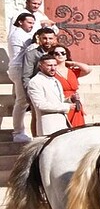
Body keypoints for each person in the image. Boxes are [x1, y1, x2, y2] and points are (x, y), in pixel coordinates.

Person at [27, 53, 77, 135]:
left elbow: (57, 101)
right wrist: (67, 106)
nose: (53, 68)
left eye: (55, 65)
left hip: (62, 124)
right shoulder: (35, 82)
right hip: (48, 126)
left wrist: (69, 100)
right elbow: (40, 105)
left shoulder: (56, 80)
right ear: (40, 66)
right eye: (49, 65)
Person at [7, 12, 36, 142]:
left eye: (33, 23)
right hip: (19, 68)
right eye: (29, 23)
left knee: (22, 101)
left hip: (19, 68)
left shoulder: (22, 34)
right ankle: (18, 132)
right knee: (22, 101)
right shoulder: (19, 34)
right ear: (20, 22)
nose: (31, 26)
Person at [51, 44, 91, 128]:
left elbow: (87, 69)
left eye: (63, 53)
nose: (60, 55)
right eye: (56, 53)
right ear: (52, 55)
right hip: (62, 102)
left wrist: (73, 63)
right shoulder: (52, 71)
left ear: (66, 56)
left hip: (75, 103)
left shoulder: (72, 71)